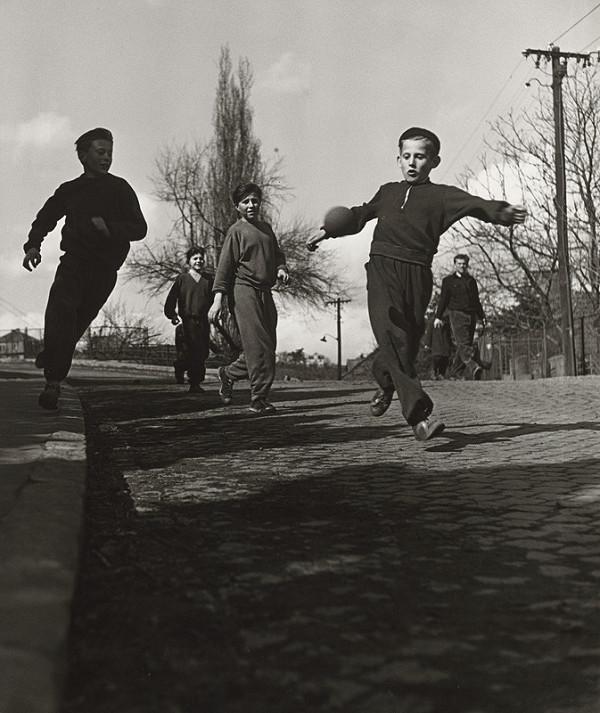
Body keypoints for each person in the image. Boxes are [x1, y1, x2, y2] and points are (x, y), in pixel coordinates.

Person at [306, 126, 526, 440]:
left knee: (406, 344)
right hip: (382, 271)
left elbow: (476, 204)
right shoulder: (388, 191)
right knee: (393, 335)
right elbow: (359, 215)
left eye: (420, 157)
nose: (412, 162)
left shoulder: (442, 196)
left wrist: (502, 212)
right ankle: (419, 418)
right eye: (406, 156)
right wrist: (329, 230)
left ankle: (385, 377)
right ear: (398, 159)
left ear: (434, 161)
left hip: (418, 274)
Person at [23, 128, 147, 410]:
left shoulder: (120, 188)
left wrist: (110, 228)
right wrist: (33, 246)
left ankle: (52, 354)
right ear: (83, 156)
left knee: (76, 325)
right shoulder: (70, 190)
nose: (107, 158)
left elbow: (139, 228)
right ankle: (53, 383)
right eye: (100, 152)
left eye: (110, 153)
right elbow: (45, 218)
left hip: (104, 271)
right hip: (74, 263)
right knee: (61, 313)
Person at [208, 182, 289, 414]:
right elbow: (224, 267)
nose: (251, 205)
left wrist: (281, 268)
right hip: (243, 291)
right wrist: (217, 300)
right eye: (245, 202)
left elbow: (278, 255)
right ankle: (258, 399)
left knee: (266, 348)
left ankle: (227, 374)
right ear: (237, 206)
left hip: (265, 292)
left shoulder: (266, 229)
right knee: (259, 346)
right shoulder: (236, 231)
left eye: (255, 200)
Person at [164, 246, 214, 393]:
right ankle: (195, 382)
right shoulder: (183, 279)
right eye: (195, 258)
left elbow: (213, 299)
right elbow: (172, 297)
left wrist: (215, 313)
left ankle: (180, 366)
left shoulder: (208, 279)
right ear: (189, 261)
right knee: (194, 350)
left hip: (203, 320)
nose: (199, 261)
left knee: (203, 351)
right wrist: (172, 314)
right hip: (188, 320)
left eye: (201, 258)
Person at [435, 254, 488, 380]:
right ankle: (474, 366)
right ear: (455, 265)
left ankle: (456, 372)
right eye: (459, 263)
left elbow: (476, 301)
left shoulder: (471, 281)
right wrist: (438, 316)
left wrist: (482, 316)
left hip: (471, 314)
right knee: (464, 343)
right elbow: (443, 300)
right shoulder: (448, 281)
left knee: (464, 343)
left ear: (467, 265)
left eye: (464, 264)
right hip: (457, 314)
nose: (462, 266)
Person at [423, 313, 451, 379]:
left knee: (444, 360)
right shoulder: (432, 321)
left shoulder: (447, 322)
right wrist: (427, 343)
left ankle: (441, 374)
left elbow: (449, 334)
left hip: (445, 344)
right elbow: (429, 332)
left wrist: (450, 343)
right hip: (436, 344)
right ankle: (433, 372)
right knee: (436, 359)